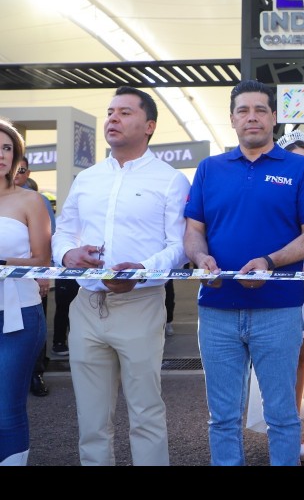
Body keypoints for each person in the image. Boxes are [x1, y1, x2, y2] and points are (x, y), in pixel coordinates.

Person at [183, 80, 304, 467]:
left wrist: (269, 262)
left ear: (274, 117)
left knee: (282, 416)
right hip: (217, 309)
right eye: (243, 110)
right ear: (231, 119)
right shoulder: (210, 169)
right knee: (223, 418)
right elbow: (193, 230)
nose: (252, 117)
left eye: (260, 110)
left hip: (278, 310)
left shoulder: (300, 169)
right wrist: (200, 257)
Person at [51, 85, 191, 466]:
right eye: (110, 112)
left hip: (140, 304)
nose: (113, 118)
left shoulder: (170, 180)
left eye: (125, 112)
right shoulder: (87, 179)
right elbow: (64, 231)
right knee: (91, 421)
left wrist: (143, 271)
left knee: (146, 414)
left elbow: (179, 246)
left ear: (149, 126)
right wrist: (68, 254)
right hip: (86, 305)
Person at [245, 129, 304, 463]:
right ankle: (276, 428)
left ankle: (292, 432)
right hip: (275, 285)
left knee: (300, 358)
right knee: (274, 360)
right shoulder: (266, 194)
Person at [0, 118, 51, 466]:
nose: (2, 154)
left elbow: (42, 261)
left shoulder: (31, 201)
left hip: (18, 316)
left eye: (7, 148)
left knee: (7, 408)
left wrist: (3, 262)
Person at [13, 157, 55, 397]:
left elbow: (49, 241)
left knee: (34, 328)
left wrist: (44, 275)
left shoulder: (38, 200)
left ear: (27, 172)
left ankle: (36, 374)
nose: (16, 173)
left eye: (21, 169)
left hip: (32, 278)